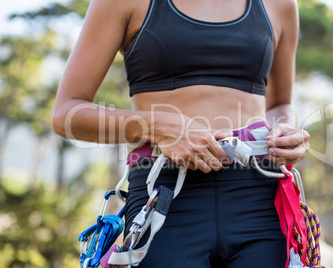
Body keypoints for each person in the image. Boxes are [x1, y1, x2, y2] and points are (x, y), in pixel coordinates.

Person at [52, 0, 310, 267]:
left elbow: (281, 105)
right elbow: (66, 114)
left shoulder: (279, 5)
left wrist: (286, 134)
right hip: (164, 197)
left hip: (260, 196)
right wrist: (158, 126)